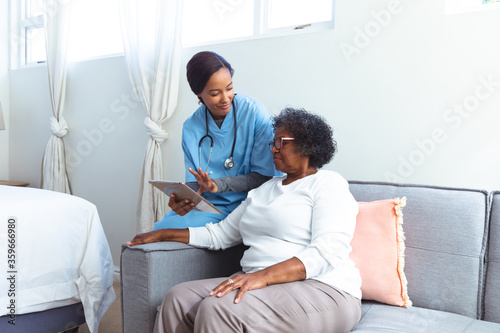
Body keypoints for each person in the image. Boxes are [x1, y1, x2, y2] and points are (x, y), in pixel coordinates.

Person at [128, 108, 362, 333]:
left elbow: (327, 252)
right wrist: (162, 233)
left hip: (325, 288)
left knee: (218, 309)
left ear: (307, 146)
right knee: (177, 299)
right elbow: (220, 234)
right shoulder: (264, 190)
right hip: (263, 284)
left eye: (282, 142)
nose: (273, 149)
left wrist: (263, 276)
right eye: (273, 143)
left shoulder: (328, 184)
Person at [153, 51, 280, 230]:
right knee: (162, 226)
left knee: (168, 231)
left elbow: (266, 177)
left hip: (249, 203)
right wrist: (183, 200)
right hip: (209, 206)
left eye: (229, 88)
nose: (225, 98)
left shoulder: (255, 113)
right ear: (198, 94)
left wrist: (218, 185)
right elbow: (194, 181)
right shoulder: (191, 127)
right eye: (214, 93)